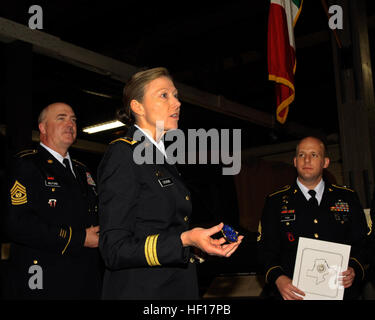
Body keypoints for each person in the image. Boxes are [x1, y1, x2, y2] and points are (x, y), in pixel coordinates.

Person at [97, 67, 243, 299]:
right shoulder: (124, 154)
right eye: (164, 95)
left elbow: (161, 230)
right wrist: (185, 239)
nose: (176, 103)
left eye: (176, 95)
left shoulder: (160, 158)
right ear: (138, 107)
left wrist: (199, 246)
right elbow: (113, 249)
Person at [5, 102, 103, 299]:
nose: (70, 124)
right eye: (61, 118)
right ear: (42, 127)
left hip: (86, 276)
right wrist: (79, 238)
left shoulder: (83, 171)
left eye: (73, 120)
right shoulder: (27, 165)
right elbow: (18, 224)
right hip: (44, 275)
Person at [258, 136, 369, 300]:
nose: (307, 160)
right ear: (295, 162)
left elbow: (364, 243)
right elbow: (264, 250)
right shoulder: (275, 201)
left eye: (314, 155)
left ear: (325, 162)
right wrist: (278, 278)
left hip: (341, 292)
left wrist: (355, 268)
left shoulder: (347, 197)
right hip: (294, 295)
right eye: (302, 155)